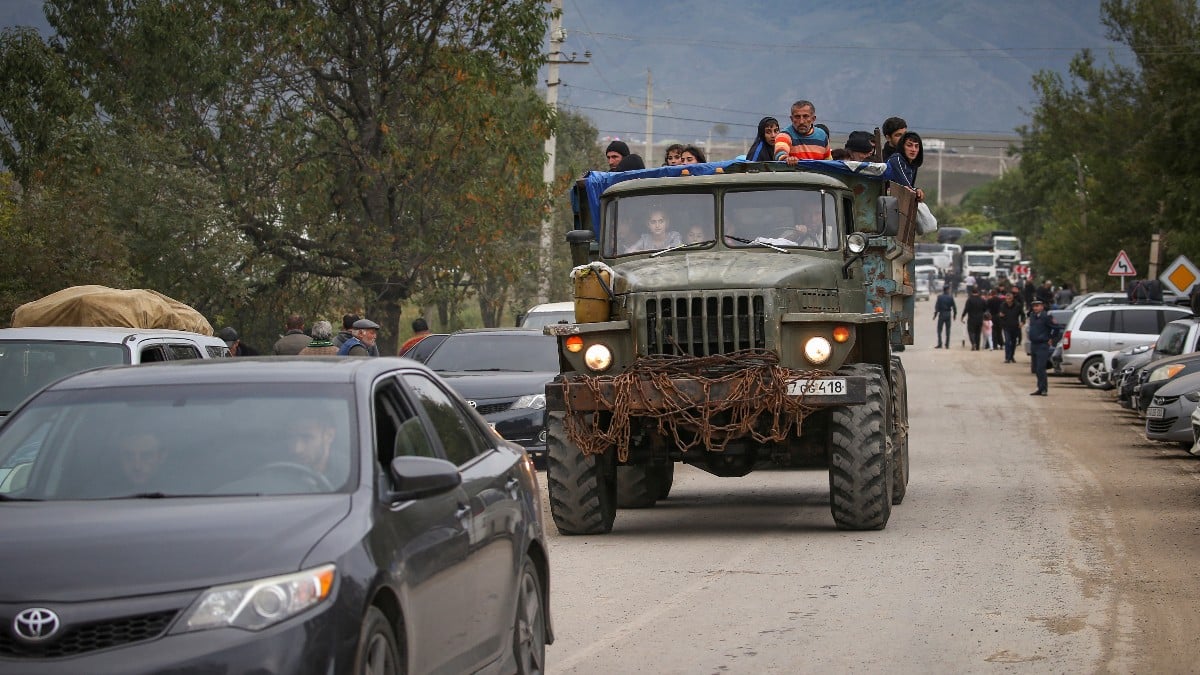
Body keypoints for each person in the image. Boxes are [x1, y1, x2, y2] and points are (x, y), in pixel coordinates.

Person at [1027, 298, 1062, 395]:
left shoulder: (1046, 316)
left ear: (1042, 306)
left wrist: (1051, 338)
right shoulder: (1032, 315)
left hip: (1042, 345)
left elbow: (1056, 328)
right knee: (1036, 369)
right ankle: (1040, 388)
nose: (1035, 308)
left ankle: (1044, 389)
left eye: (1037, 306)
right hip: (1034, 344)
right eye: (1034, 306)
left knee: (1041, 368)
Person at [885, 131, 925, 202]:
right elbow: (904, 184)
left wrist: (917, 190)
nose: (913, 150)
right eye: (909, 145)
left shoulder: (913, 164)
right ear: (902, 146)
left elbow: (910, 187)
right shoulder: (896, 159)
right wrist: (914, 190)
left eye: (916, 146)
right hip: (888, 200)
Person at [997, 293, 1026, 363]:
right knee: (1007, 342)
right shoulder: (1003, 305)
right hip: (1006, 326)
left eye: (1009, 299)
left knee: (1013, 342)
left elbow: (1023, 315)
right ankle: (1007, 358)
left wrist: (1022, 322)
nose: (1008, 300)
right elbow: (1000, 315)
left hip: (1015, 326)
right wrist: (1000, 316)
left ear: (1012, 299)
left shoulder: (1017, 305)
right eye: (1006, 299)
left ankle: (1011, 356)